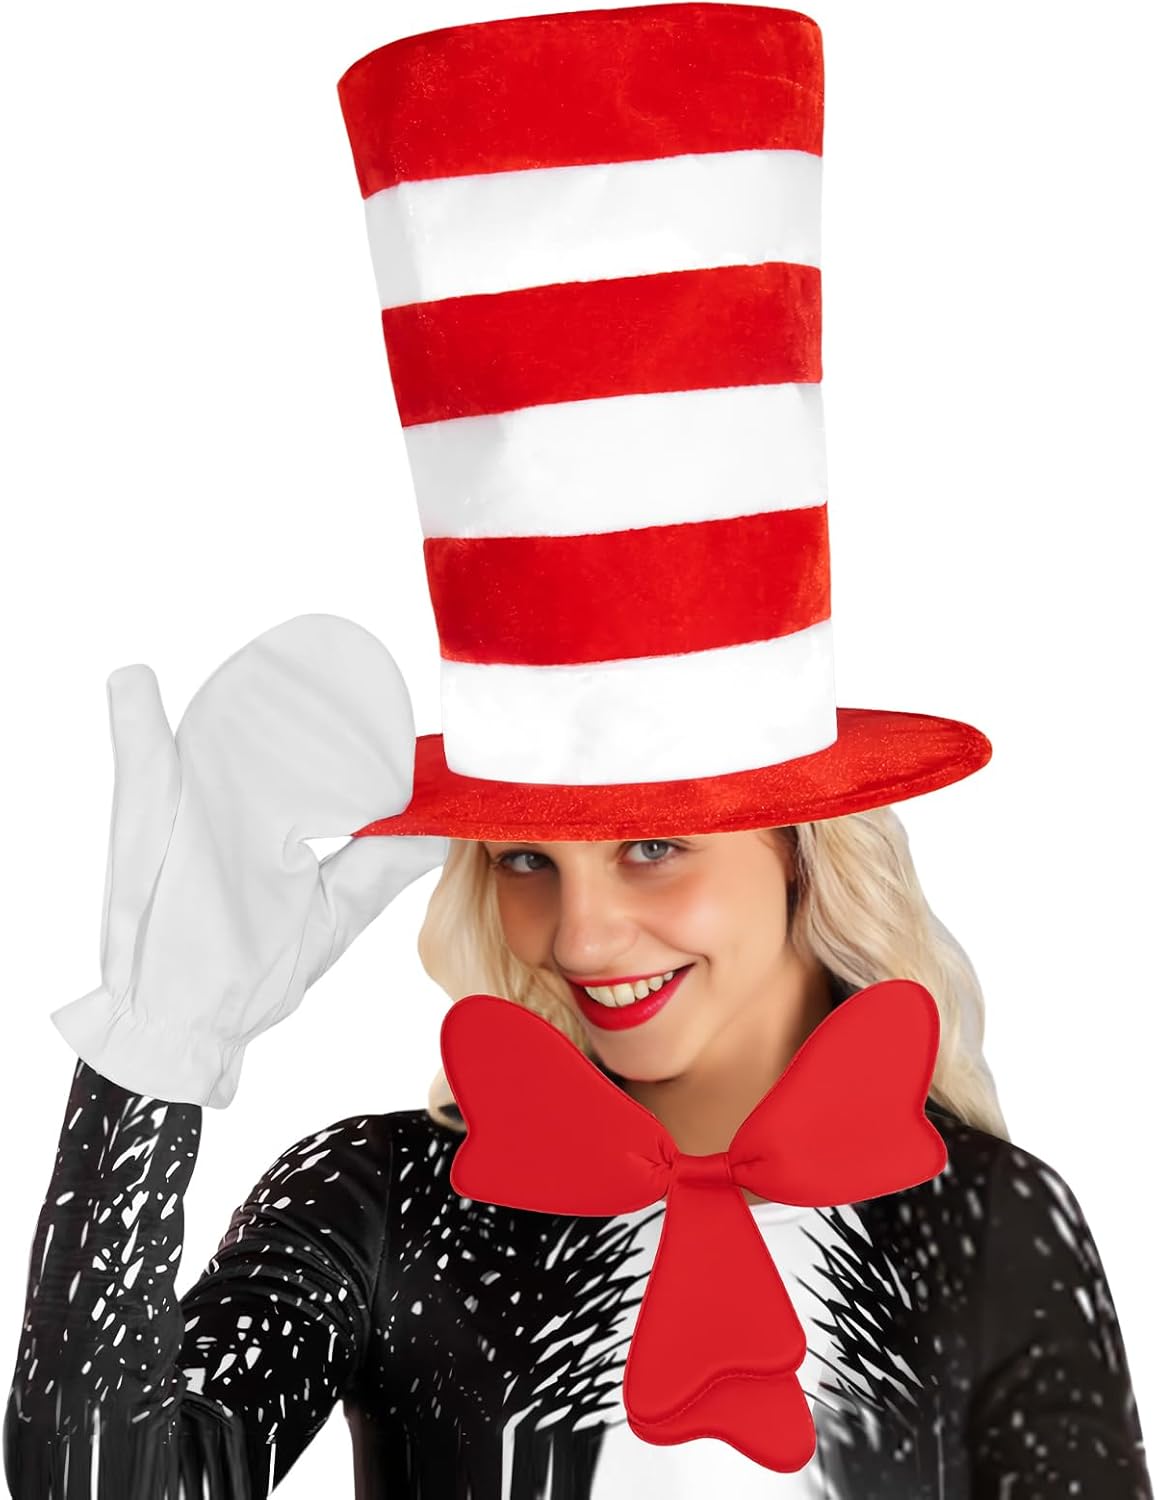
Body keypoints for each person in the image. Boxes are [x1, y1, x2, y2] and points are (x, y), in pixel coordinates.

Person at [4, 4, 1152, 1497]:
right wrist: (152, 1055)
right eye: (526, 858)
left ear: (806, 853)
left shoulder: (987, 1224)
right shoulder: (388, 1203)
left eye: (653, 846)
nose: (581, 933)